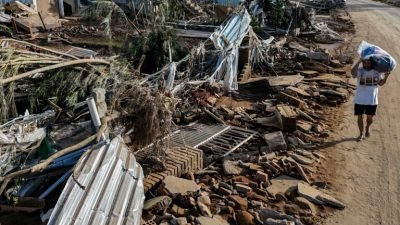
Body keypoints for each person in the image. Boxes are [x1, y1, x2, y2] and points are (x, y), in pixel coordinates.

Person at [351, 57, 390, 141]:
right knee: (360, 117)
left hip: (372, 100)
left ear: (371, 63)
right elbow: (352, 72)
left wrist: (386, 76)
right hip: (360, 99)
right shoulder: (360, 70)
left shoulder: (377, 72)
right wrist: (359, 61)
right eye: (365, 62)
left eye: (368, 63)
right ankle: (361, 134)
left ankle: (367, 127)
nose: (367, 64)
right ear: (363, 63)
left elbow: (381, 83)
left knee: (370, 118)